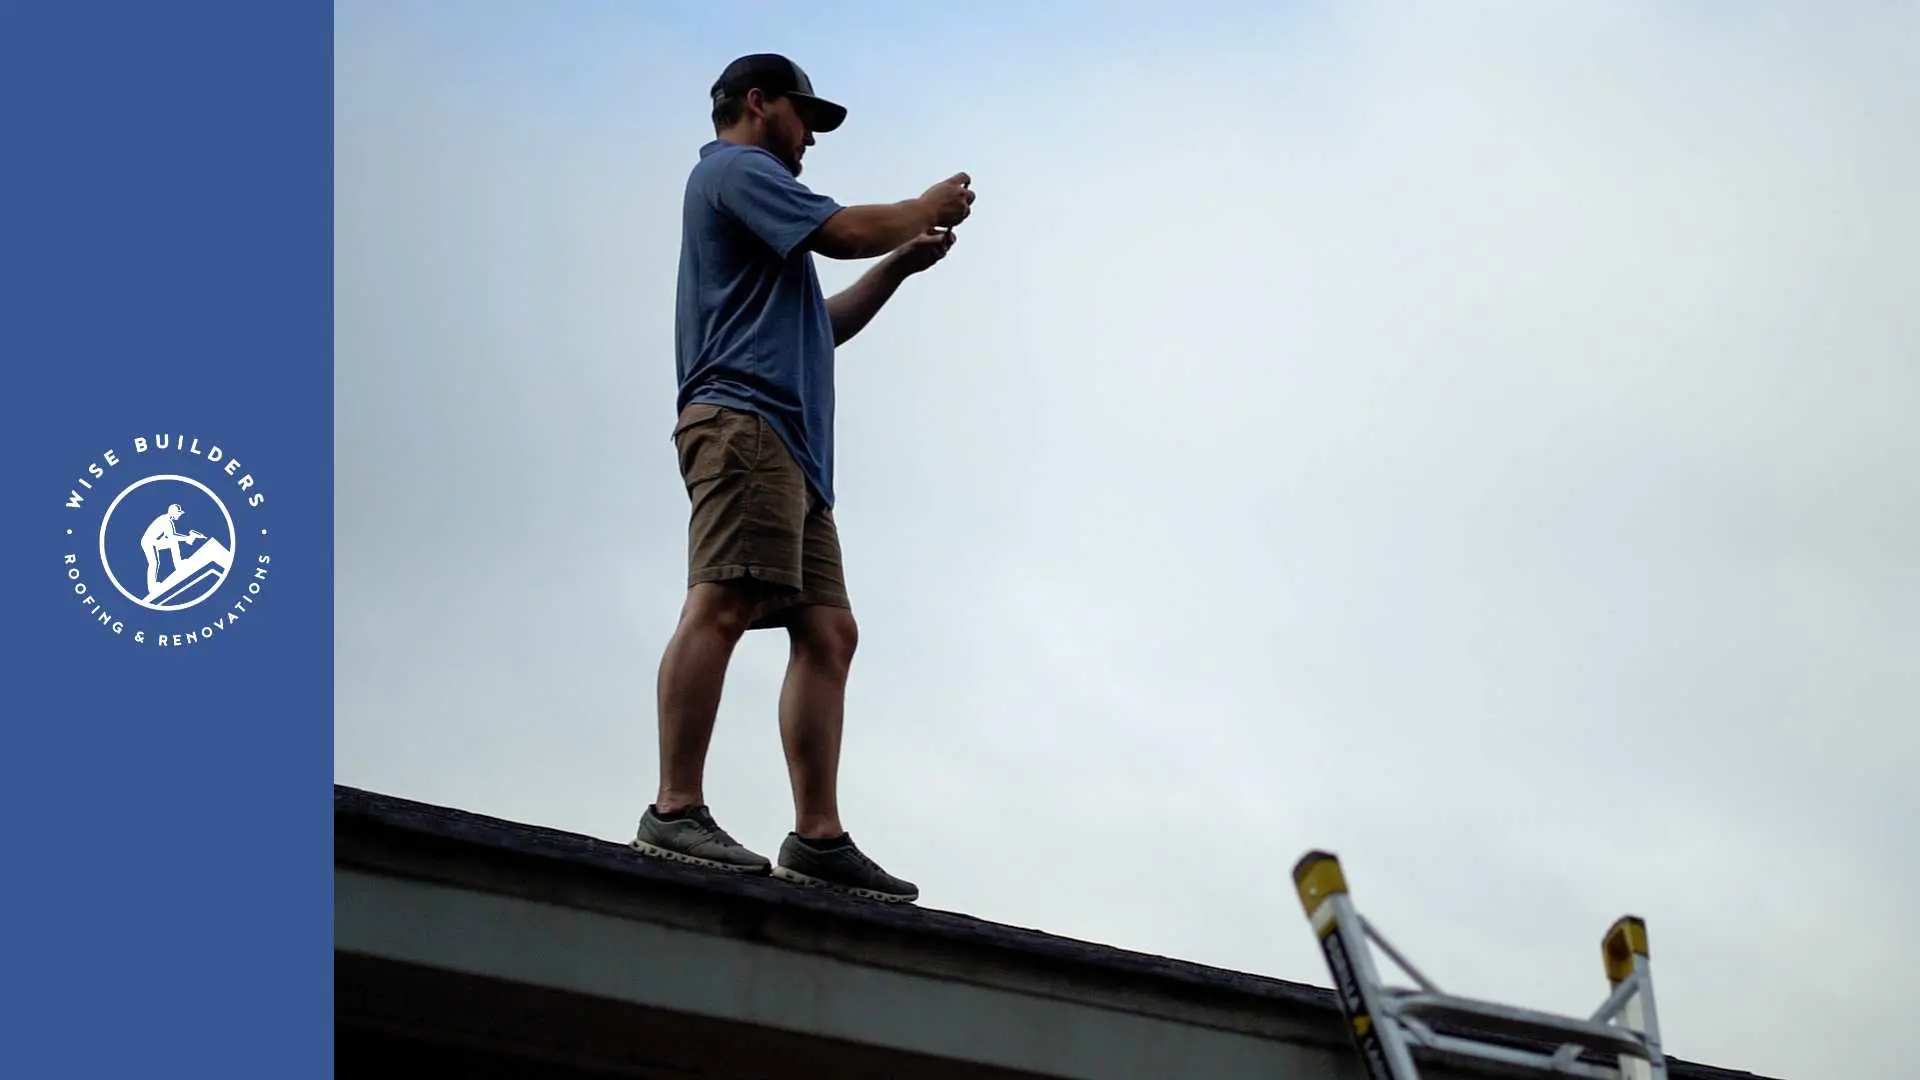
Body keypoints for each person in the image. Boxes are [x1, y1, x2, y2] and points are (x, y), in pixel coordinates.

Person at [630, 53, 975, 904]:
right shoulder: (737, 171)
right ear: (758, 103)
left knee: (829, 630)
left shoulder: (756, 208)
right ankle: (674, 807)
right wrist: (917, 211)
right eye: (804, 117)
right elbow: (845, 229)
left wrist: (897, 268)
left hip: (786, 443)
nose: (809, 139)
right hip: (743, 424)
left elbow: (820, 326)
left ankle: (817, 838)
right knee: (723, 600)